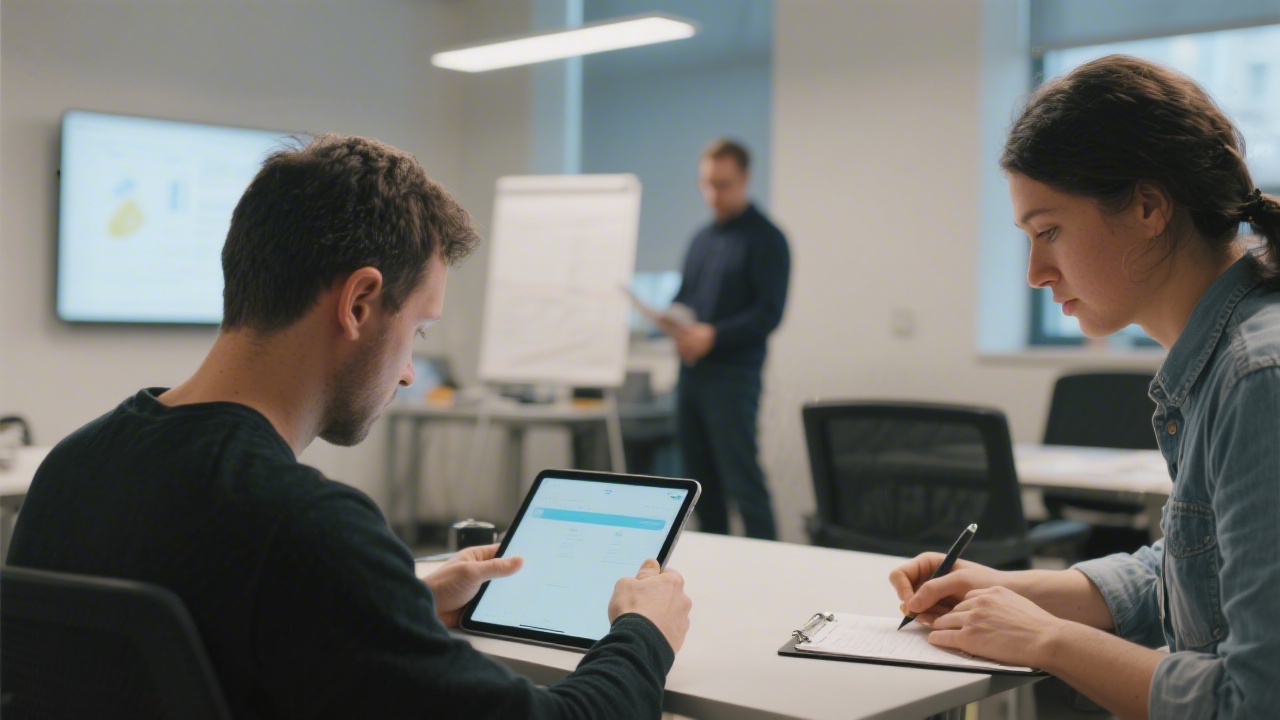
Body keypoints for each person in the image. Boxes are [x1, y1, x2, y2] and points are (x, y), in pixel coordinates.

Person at [7, 134, 692, 719]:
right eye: (418, 331)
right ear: (360, 303)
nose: (405, 375)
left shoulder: (74, 466)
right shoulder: (305, 528)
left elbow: (220, 620)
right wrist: (642, 632)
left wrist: (400, 603)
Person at [889, 55, 1280, 719]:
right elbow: (1200, 569)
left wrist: (1046, 639)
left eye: (1049, 232)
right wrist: (1022, 590)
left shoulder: (1258, 379)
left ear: (1149, 206)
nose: (1036, 273)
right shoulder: (1224, 361)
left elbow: (1256, 703)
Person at [665, 139, 790, 540]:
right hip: (692, 377)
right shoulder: (701, 239)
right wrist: (673, 321)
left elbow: (768, 313)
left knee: (743, 483)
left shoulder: (768, 239)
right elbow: (686, 297)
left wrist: (713, 335)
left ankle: (772, 569)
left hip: (734, 380)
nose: (713, 194)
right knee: (699, 488)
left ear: (745, 180)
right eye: (707, 183)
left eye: (723, 184)